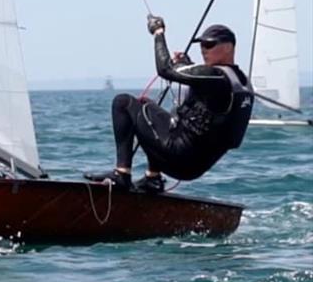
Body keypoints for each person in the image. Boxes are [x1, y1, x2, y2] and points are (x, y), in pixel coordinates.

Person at [85, 16, 254, 193]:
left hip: (178, 156)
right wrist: (186, 64)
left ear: (228, 47)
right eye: (202, 45)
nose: (204, 50)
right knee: (146, 105)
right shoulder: (241, 82)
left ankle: (121, 175)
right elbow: (207, 93)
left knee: (123, 103)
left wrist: (158, 33)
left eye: (210, 45)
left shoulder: (216, 77)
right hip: (196, 165)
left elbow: (165, 69)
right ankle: (153, 178)